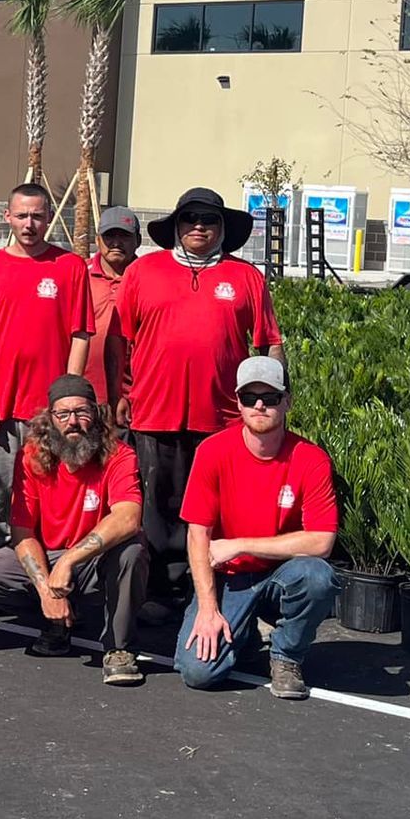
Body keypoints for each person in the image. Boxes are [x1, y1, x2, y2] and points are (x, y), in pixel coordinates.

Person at [115, 186, 284, 605]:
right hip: (153, 410)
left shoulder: (246, 277)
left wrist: (275, 397)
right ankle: (156, 591)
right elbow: (119, 339)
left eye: (209, 220)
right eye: (189, 218)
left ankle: (208, 588)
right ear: (175, 225)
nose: (199, 227)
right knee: (156, 507)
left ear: (223, 228)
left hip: (223, 417)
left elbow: (270, 343)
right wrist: (120, 391)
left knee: (214, 508)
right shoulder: (143, 271)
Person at [175, 356, 338, 700]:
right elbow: (197, 536)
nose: (260, 405)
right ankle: (242, 631)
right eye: (250, 398)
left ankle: (286, 658)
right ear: (238, 403)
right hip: (228, 579)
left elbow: (322, 541)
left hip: (279, 575)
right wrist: (208, 610)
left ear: (287, 401)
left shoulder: (311, 458)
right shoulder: (212, 452)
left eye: (271, 397)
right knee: (199, 673)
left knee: (317, 576)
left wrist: (240, 544)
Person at [0, 374, 149, 684]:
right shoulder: (31, 457)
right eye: (63, 414)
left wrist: (68, 561)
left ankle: (118, 647)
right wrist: (45, 590)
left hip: (94, 560)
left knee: (132, 552)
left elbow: (128, 517)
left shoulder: (120, 455)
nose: (73, 422)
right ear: (49, 419)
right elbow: (22, 532)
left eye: (82, 412)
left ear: (96, 415)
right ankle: (56, 619)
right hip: (48, 555)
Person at [0, 182, 94, 552]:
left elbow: (81, 334)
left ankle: (46, 569)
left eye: (37, 216)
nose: (29, 224)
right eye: (21, 215)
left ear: (49, 219)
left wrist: (68, 398)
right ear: (8, 216)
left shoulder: (69, 267)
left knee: (49, 491)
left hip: (48, 409)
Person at [86, 206, 141, 415]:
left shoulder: (148, 277)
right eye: (109, 236)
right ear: (98, 240)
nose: (116, 243)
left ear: (137, 240)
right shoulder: (80, 274)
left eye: (124, 236)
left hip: (135, 397)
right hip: (86, 394)